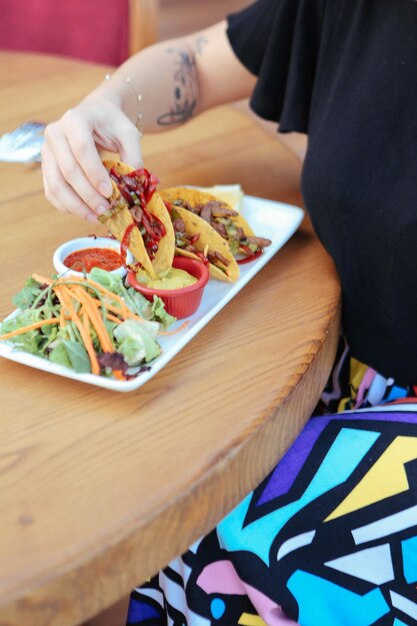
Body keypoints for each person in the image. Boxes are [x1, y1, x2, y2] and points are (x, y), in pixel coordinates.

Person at [41, 1, 417, 624]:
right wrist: (104, 109)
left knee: (236, 542)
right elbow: (200, 63)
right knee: (154, 481)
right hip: (338, 365)